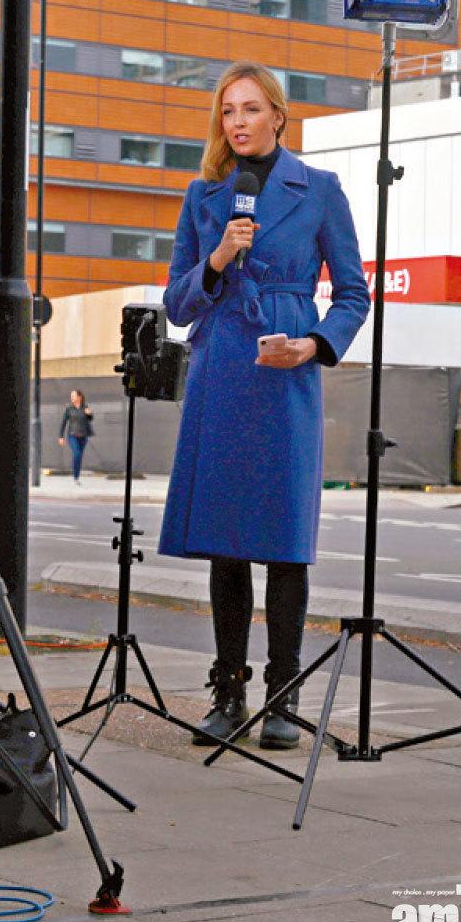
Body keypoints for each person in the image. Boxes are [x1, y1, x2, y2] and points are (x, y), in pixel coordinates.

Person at [157, 62, 369, 752]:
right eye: (228, 111)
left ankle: (284, 696)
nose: (238, 122)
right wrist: (217, 258)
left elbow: (354, 294)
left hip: (285, 374)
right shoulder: (204, 195)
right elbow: (177, 303)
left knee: (283, 544)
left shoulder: (320, 189)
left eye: (250, 109)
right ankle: (228, 692)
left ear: (278, 114)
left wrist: (314, 344)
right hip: (221, 368)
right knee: (226, 545)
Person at [57, 389, 94, 482]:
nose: (72, 398)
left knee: (79, 456)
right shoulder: (69, 409)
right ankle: (75, 476)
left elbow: (90, 419)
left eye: (73, 396)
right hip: (72, 436)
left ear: (79, 397)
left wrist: (90, 414)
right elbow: (63, 423)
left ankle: (76, 477)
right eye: (71, 396)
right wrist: (61, 436)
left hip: (83, 436)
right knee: (77, 453)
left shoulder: (85, 407)